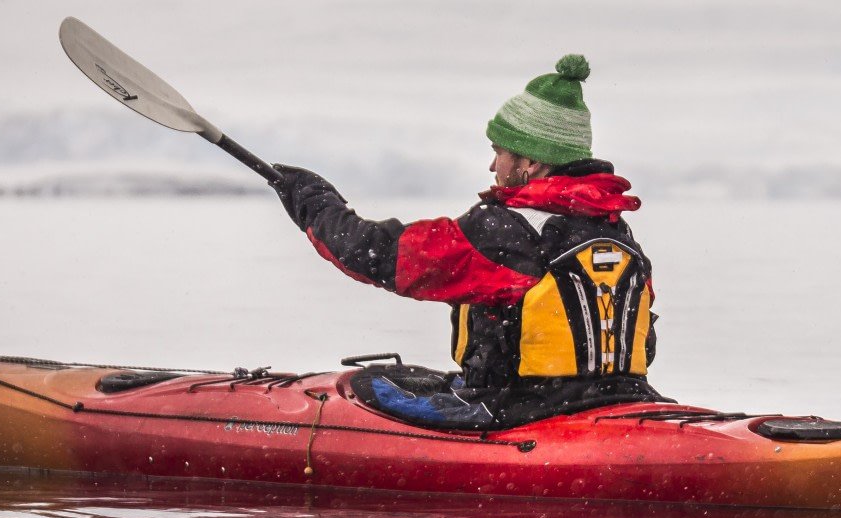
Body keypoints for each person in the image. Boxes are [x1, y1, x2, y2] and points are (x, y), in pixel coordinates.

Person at [269, 54, 661, 429]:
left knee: (364, 386)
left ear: (530, 163)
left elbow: (380, 255)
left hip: (521, 413)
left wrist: (316, 204)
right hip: (621, 400)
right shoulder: (615, 231)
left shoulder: (503, 231)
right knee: (405, 376)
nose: (493, 166)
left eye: (500, 153)